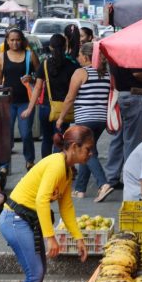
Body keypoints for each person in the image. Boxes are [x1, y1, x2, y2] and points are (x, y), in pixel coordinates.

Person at [0, 125, 91, 282]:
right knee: (35, 272)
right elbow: (41, 200)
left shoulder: (67, 169)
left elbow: (66, 207)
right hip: (14, 220)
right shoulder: (57, 165)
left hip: (27, 221)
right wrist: (50, 237)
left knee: (38, 271)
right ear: (75, 147)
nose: (90, 154)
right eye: (88, 149)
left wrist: (78, 238)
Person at [56, 42, 113, 202]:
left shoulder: (81, 72)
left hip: (85, 119)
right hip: (101, 119)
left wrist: (61, 118)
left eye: (80, 55)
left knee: (88, 153)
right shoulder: (106, 74)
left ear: (87, 57)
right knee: (86, 151)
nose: (77, 57)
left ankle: (103, 184)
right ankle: (80, 189)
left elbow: (69, 98)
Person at [22, 34, 79, 159]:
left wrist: (30, 109)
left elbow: (37, 88)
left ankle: (46, 166)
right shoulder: (72, 65)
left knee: (47, 139)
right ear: (65, 47)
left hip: (46, 108)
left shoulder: (45, 64)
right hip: (64, 108)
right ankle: (58, 167)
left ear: (51, 48)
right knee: (60, 139)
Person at [0, 28, 41, 171]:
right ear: (7, 41)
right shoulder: (2, 57)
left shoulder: (29, 55)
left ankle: (30, 160)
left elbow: (40, 75)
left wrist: (31, 78)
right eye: (12, 40)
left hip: (26, 101)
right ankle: (4, 164)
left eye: (18, 40)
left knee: (26, 133)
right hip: (7, 101)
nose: (15, 43)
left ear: (22, 41)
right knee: (6, 134)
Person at [104, 65, 142, 188]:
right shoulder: (132, 51)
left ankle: (111, 177)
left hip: (120, 96)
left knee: (118, 139)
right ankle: (130, 177)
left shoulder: (116, 52)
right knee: (133, 140)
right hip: (134, 95)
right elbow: (138, 73)